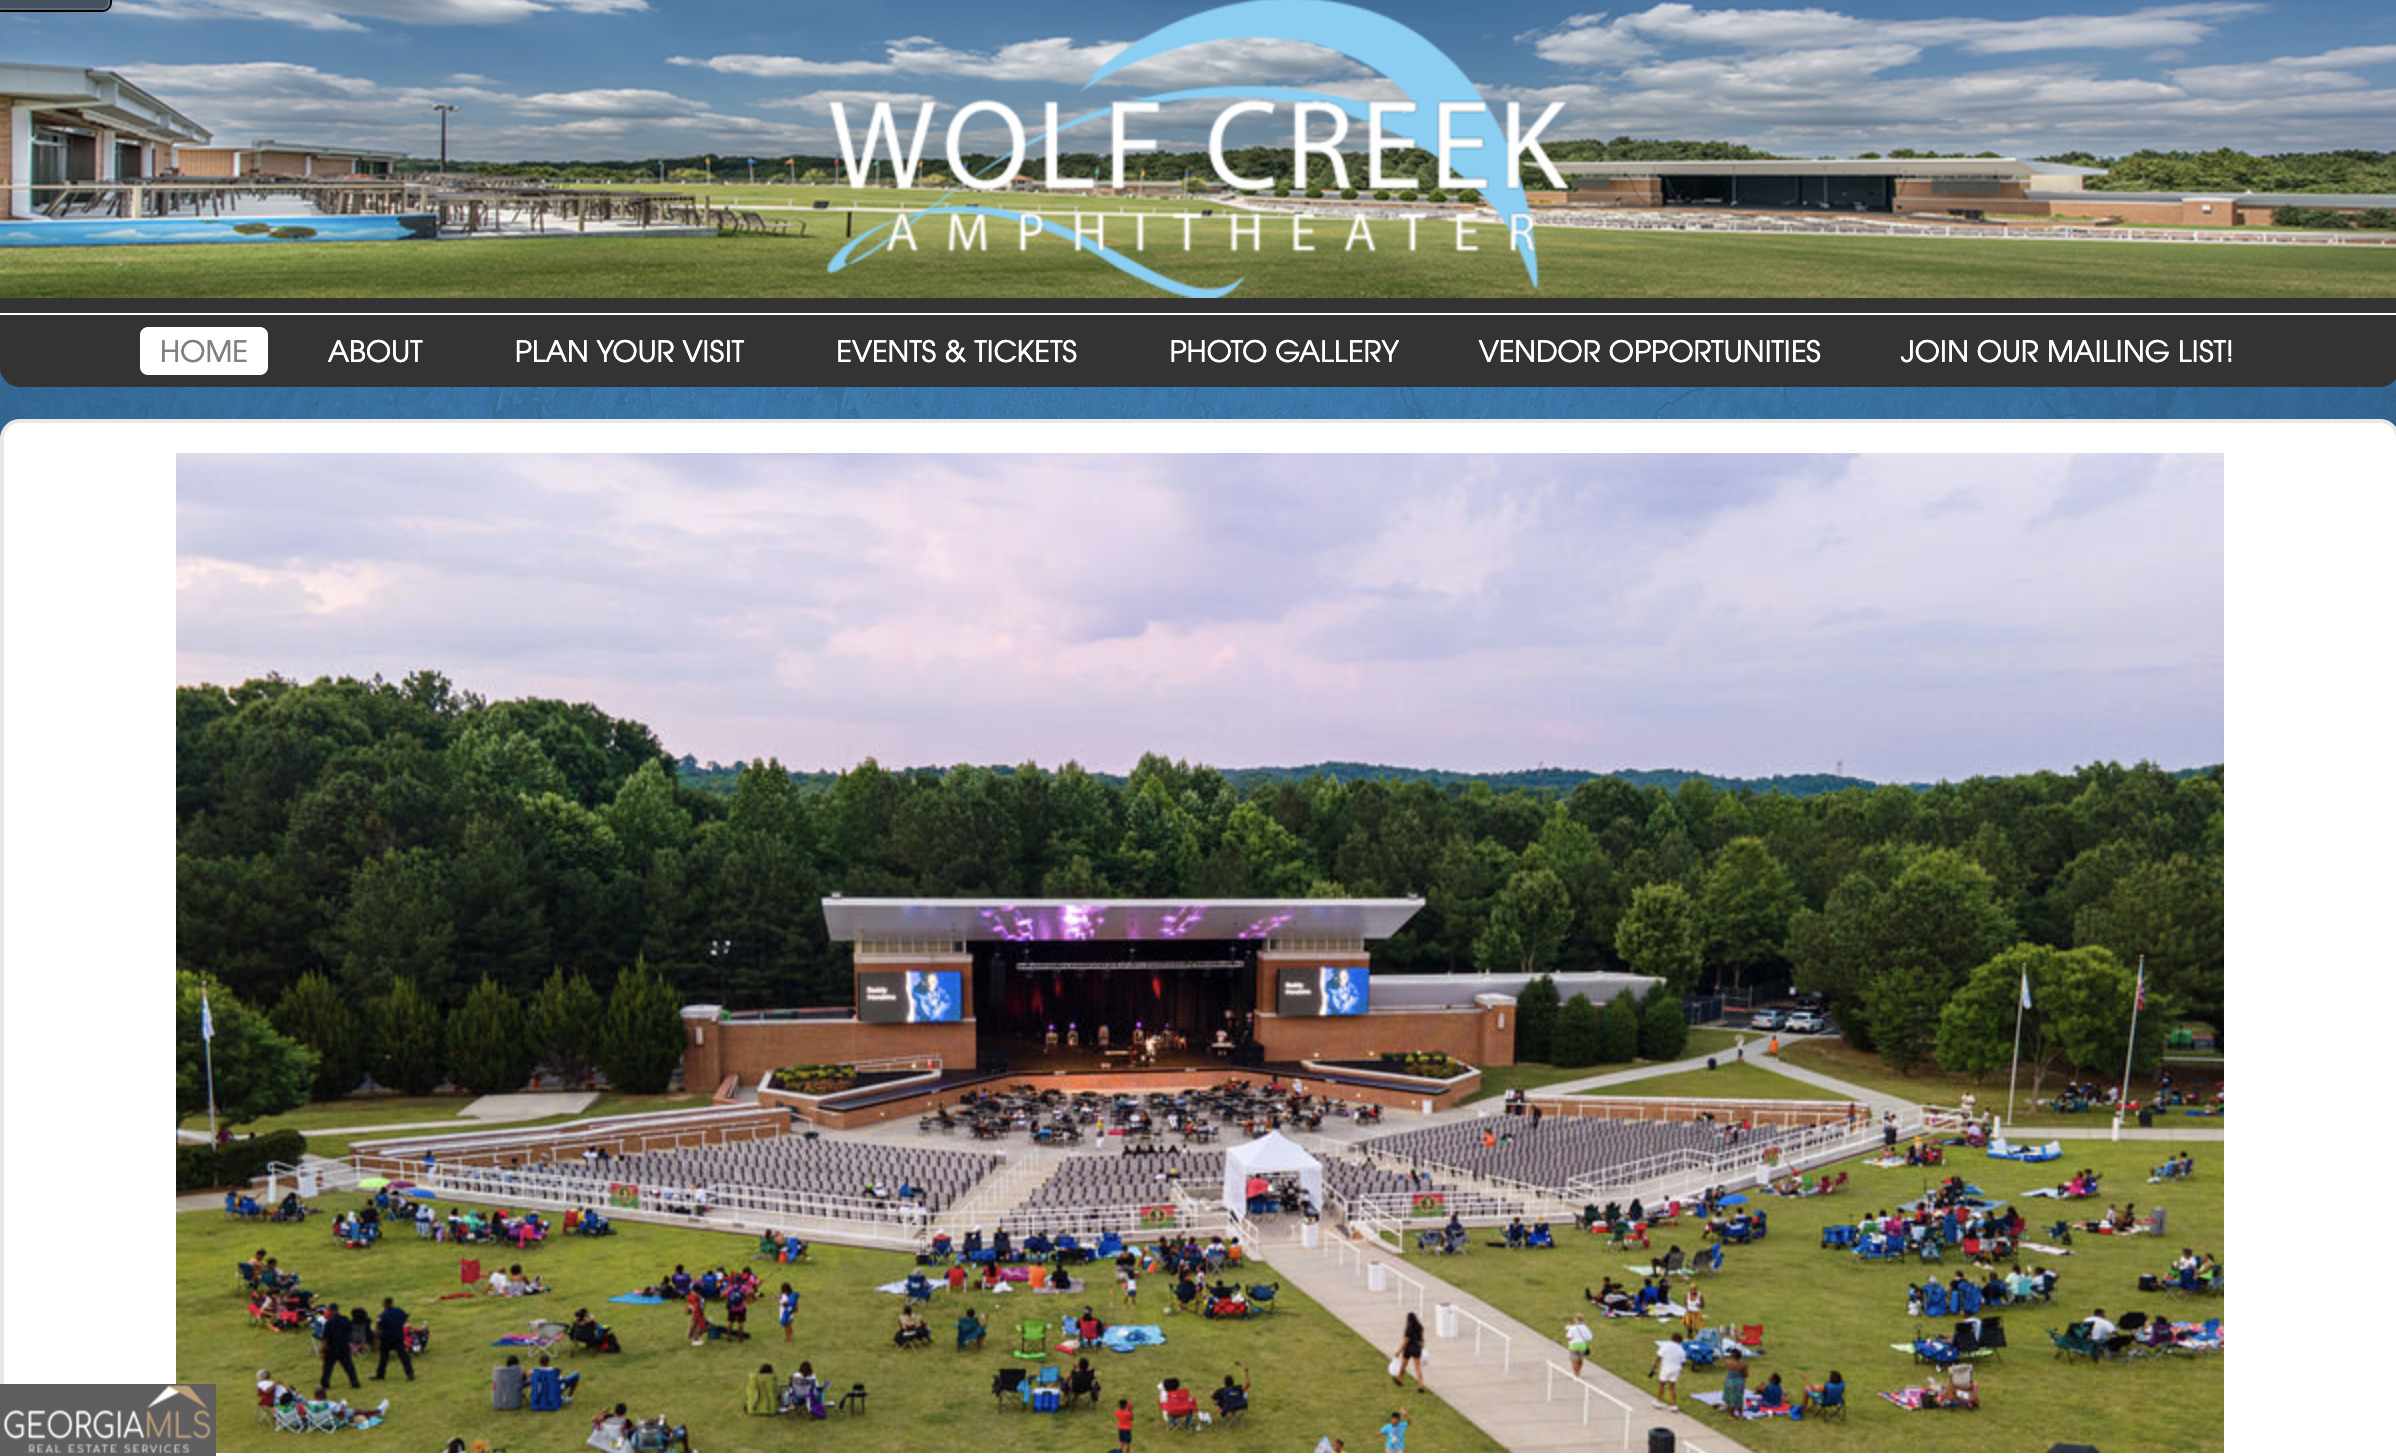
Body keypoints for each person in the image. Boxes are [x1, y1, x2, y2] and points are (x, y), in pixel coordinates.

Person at [318, 1304, 361, 1390]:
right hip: (344, 1347)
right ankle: (355, 1382)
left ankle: (325, 1384)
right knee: (349, 1366)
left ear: (331, 1311)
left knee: (328, 1367)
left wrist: (322, 1350)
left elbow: (325, 1339)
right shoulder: (345, 1319)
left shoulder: (329, 1323)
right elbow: (351, 1331)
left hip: (332, 1348)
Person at [373, 1297, 413, 1382]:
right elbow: (405, 1317)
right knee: (403, 1356)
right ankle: (410, 1374)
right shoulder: (399, 1311)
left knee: (383, 1357)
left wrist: (377, 1338)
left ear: (386, 1304)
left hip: (386, 1339)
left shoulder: (382, 1315)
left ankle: (380, 1375)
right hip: (398, 1337)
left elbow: (379, 1329)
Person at [1650, 1332, 1685, 1412]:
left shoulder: (1665, 1346)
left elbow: (1659, 1356)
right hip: (1676, 1369)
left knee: (1661, 1384)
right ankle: (1674, 1405)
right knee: (1672, 1387)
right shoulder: (1681, 1349)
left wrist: (1655, 1365)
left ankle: (1659, 1401)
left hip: (1666, 1368)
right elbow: (1682, 1361)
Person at [1393, 1312, 1426, 1390]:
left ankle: (1399, 1379)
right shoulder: (1420, 1327)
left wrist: (1399, 1352)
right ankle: (1421, 1384)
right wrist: (1422, 1346)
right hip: (1417, 1348)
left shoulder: (1409, 1328)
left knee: (1404, 1365)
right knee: (1417, 1367)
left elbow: (1405, 1341)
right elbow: (1421, 1338)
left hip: (1409, 1349)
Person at [1719, 1348, 1749, 1417]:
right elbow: (1746, 1375)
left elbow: (1728, 1369)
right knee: (1739, 1399)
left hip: (1729, 1381)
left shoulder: (1728, 1362)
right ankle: (1740, 1415)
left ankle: (1731, 1415)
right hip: (1739, 1382)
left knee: (1730, 1399)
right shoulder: (1743, 1364)